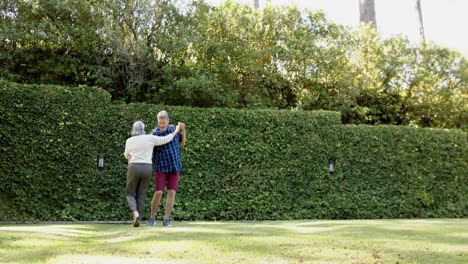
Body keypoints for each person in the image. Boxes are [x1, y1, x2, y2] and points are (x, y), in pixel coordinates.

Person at [124, 120, 181, 227]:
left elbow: (126, 155)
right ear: (143, 129)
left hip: (134, 167)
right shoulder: (150, 137)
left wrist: (130, 157)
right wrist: (177, 129)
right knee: (141, 194)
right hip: (147, 167)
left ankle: (135, 213)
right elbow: (167, 138)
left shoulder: (129, 140)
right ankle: (138, 218)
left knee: (130, 193)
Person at [147, 111, 186, 227]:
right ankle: (152, 217)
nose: (162, 125)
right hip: (161, 167)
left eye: (163, 123)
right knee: (158, 192)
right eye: (160, 123)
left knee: (171, 192)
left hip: (175, 166)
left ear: (168, 121)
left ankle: (166, 219)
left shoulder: (174, 129)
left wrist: (183, 130)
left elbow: (182, 143)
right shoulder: (155, 133)